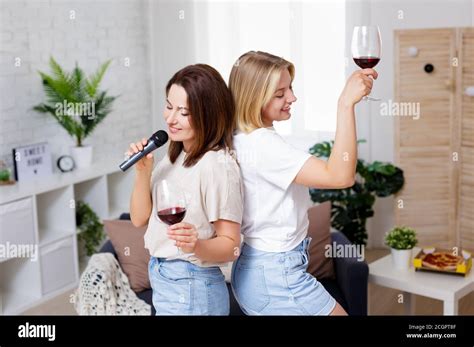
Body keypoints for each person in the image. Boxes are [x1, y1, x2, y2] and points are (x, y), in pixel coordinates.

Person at [229, 51, 378, 315]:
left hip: (258, 269)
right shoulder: (263, 145)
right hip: (276, 276)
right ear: (254, 97)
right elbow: (340, 176)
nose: (292, 98)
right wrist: (345, 104)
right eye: (280, 93)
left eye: (290, 88)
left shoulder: (242, 137)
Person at [126, 64, 243, 315]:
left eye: (183, 112)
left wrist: (196, 245)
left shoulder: (216, 165)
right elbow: (138, 219)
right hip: (164, 277)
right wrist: (143, 172)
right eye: (169, 106)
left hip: (192, 284)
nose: (170, 119)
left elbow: (232, 246)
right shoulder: (175, 154)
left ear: (207, 114)